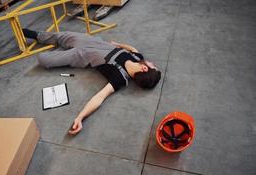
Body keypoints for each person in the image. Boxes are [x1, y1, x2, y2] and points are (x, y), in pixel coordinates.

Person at [22, 29, 161, 135]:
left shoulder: (120, 78)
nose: (152, 62)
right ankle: (32, 34)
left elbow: (99, 97)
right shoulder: (137, 57)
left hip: (81, 56)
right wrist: (117, 44)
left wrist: (80, 118)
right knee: (59, 36)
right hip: (92, 42)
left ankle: (59, 51)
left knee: (43, 60)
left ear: (144, 68)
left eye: (152, 65)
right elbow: (132, 48)